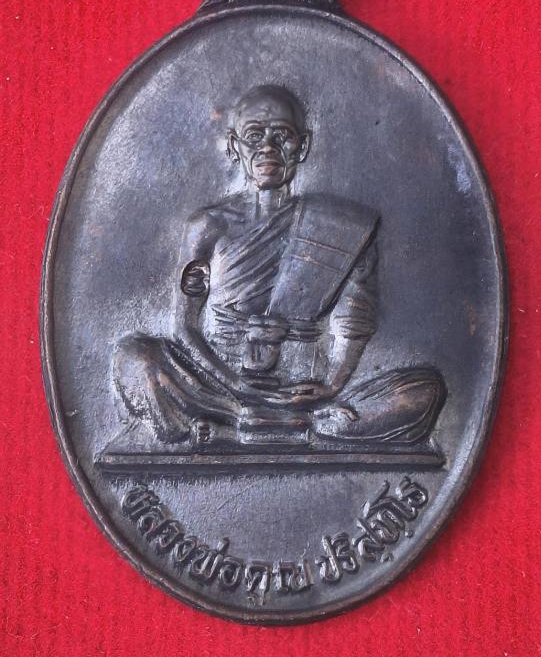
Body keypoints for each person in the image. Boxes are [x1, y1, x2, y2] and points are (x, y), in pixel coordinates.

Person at [114, 85, 445, 445]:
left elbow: (353, 324)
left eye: (281, 136)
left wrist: (331, 386)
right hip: (219, 384)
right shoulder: (207, 226)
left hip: (304, 390)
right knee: (135, 357)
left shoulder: (345, 228)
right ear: (234, 146)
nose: (267, 148)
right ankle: (261, 422)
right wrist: (238, 388)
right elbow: (184, 327)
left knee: (424, 391)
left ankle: (250, 426)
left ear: (302, 147)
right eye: (254, 136)